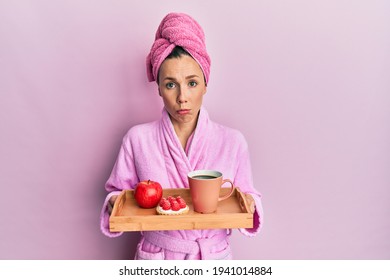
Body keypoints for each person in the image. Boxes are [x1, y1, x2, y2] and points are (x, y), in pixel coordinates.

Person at [100, 12, 263, 260]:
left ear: (206, 84)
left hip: (212, 256)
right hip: (159, 256)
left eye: (192, 83)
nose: (182, 97)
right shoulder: (138, 139)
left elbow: (248, 195)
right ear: (158, 88)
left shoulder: (232, 141)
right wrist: (115, 203)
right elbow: (117, 192)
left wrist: (250, 204)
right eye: (170, 84)